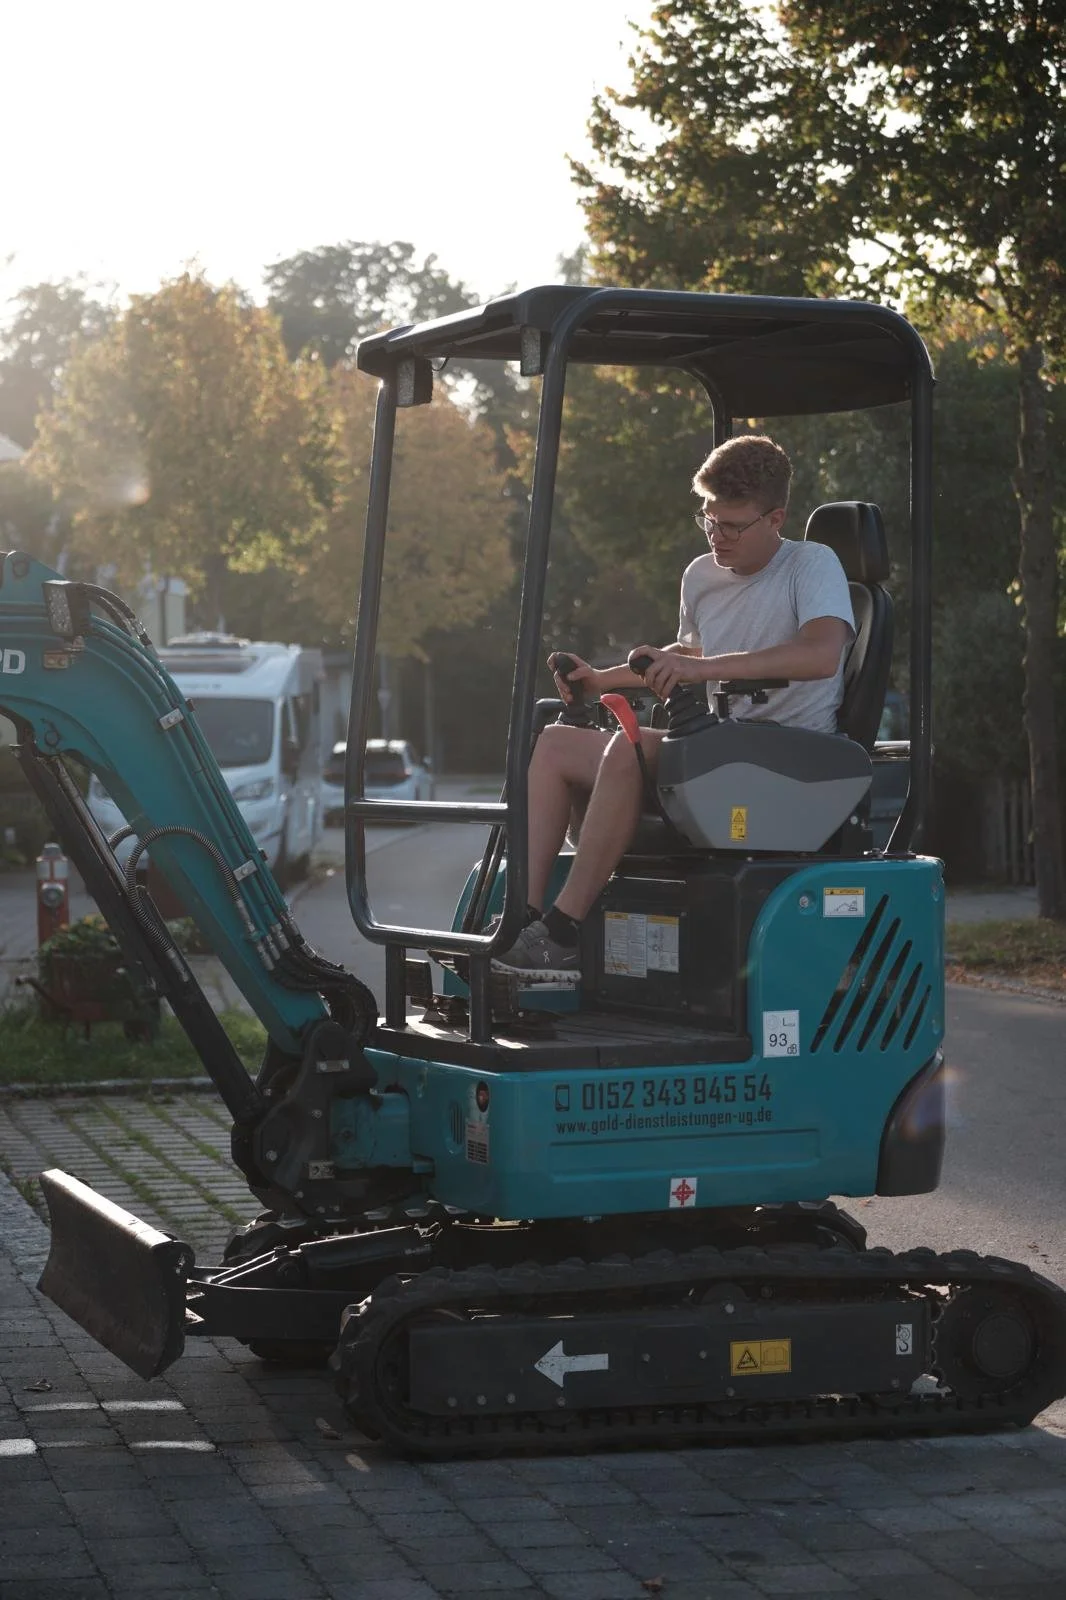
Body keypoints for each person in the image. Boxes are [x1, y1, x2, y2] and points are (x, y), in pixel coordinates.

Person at [492, 433, 856, 980]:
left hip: (786, 760)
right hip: (715, 751)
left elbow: (821, 654)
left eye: (733, 525)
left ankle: (566, 933)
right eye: (709, 520)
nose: (718, 536)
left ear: (776, 518)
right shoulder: (701, 575)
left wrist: (702, 670)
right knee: (555, 744)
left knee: (627, 747)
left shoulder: (811, 565)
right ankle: (524, 917)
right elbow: (688, 653)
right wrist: (598, 680)